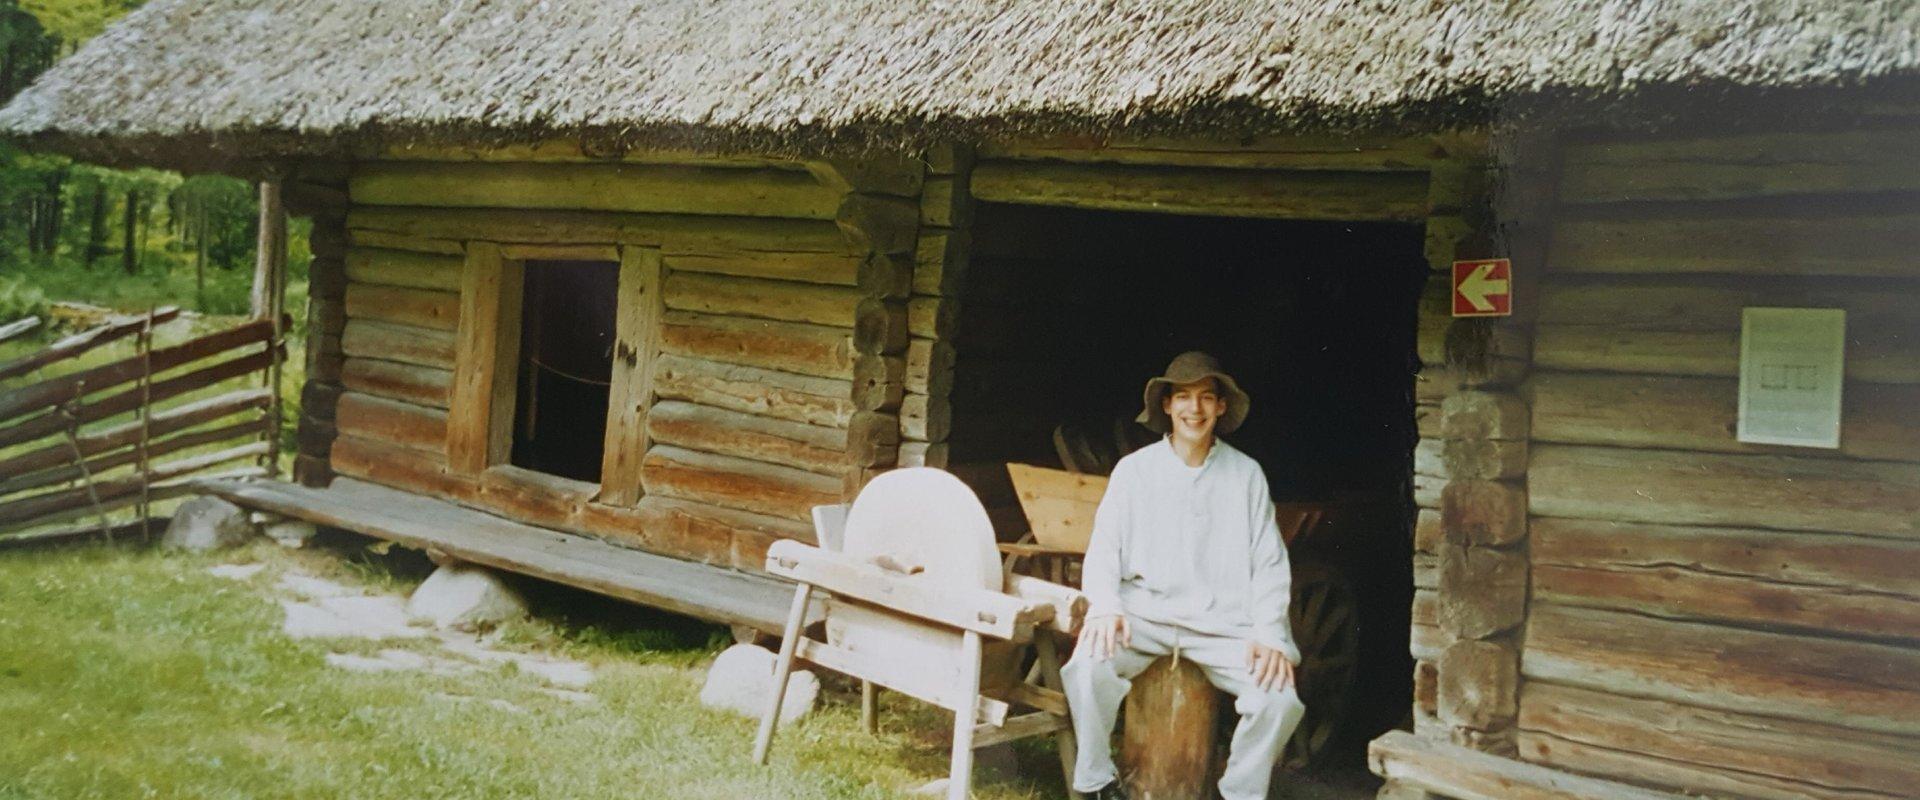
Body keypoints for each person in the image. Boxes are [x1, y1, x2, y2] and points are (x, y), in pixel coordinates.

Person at [1061, 351, 1306, 800]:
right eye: (1184, 398)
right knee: (1085, 669)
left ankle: (1239, 792)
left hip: (1221, 626)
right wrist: (1105, 606)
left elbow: (1270, 563)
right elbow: (1104, 551)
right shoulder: (1135, 472)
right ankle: (1097, 781)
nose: (1195, 409)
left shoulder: (1246, 475)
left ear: (1221, 408)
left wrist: (1270, 633)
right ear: (1167, 407)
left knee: (1279, 700)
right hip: (1145, 617)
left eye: (1206, 398)